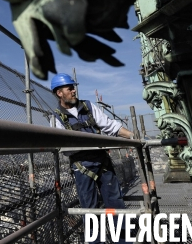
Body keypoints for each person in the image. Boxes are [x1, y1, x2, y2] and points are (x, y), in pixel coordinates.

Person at [50, 73, 134, 229]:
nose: (74, 91)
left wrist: (131, 136)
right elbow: (63, 147)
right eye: (70, 89)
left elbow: (110, 125)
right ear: (59, 93)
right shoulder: (56, 118)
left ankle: (123, 238)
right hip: (82, 166)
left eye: (73, 88)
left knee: (115, 201)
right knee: (90, 209)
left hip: (102, 161)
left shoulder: (88, 107)